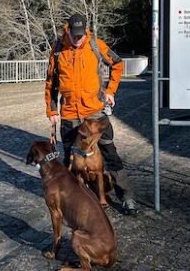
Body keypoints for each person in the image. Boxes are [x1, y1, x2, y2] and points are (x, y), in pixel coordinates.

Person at [44, 13, 138, 215]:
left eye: (81, 35)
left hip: (94, 111)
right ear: (67, 30)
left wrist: (110, 91)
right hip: (69, 114)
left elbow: (118, 63)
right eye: (74, 35)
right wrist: (52, 110)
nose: (78, 39)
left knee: (109, 151)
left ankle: (126, 196)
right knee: (70, 157)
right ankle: (75, 200)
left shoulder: (96, 45)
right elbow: (51, 83)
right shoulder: (58, 50)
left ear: (85, 31)